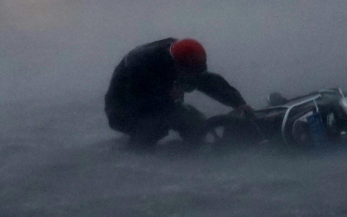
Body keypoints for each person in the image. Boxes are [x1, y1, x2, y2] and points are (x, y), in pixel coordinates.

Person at [104, 37, 252, 146]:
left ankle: (194, 148)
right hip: (122, 109)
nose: (192, 78)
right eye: (189, 73)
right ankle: (137, 150)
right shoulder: (142, 67)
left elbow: (208, 82)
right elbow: (135, 100)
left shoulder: (184, 57)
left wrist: (238, 103)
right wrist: (166, 97)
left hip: (156, 99)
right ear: (176, 66)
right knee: (157, 125)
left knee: (194, 121)